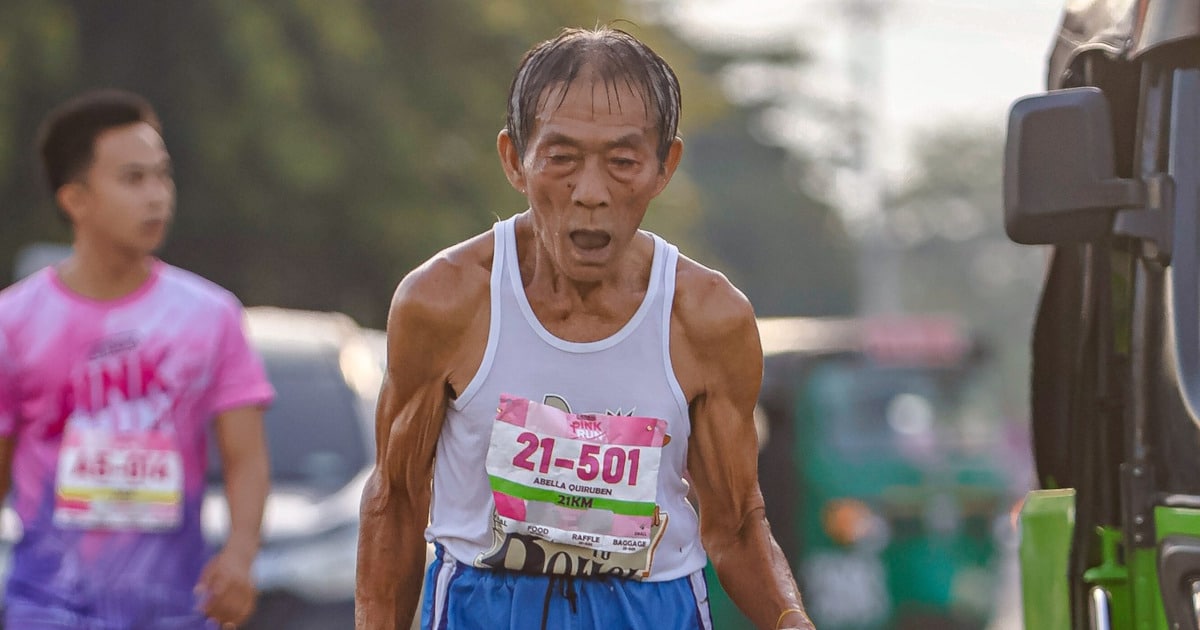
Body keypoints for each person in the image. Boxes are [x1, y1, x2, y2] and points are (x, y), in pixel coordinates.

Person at [356, 26, 814, 630]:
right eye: (563, 159)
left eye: (622, 161)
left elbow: (734, 525)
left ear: (664, 167)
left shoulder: (709, 320)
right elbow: (395, 502)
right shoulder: (443, 302)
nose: (590, 193)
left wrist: (791, 620)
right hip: (486, 607)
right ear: (515, 160)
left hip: (653, 609)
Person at [0, 89, 275, 629]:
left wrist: (240, 557)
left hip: (175, 611)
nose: (157, 196)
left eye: (162, 175)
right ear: (75, 198)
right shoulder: (14, 322)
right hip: (46, 608)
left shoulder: (210, 315)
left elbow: (245, 458)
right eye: (133, 179)